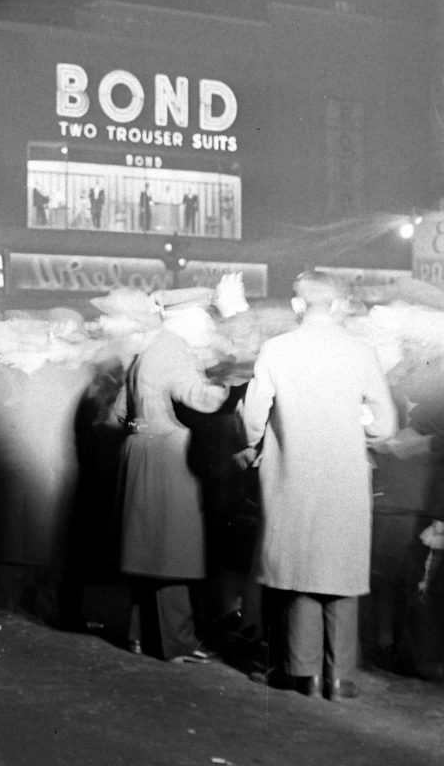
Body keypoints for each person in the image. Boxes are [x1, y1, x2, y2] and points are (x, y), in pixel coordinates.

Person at [241, 271, 397, 700]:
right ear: (337, 304)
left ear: (297, 305)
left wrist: (253, 444)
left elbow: (253, 417)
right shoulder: (360, 351)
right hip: (344, 479)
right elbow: (384, 424)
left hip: (291, 475)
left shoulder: (276, 349)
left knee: (299, 570)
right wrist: (357, 421)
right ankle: (339, 676)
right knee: (340, 571)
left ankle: (302, 671)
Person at [115, 292, 229, 663]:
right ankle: (176, 643)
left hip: (141, 449)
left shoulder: (145, 351)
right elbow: (202, 399)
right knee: (171, 553)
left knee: (146, 548)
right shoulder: (175, 349)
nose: (210, 326)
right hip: (167, 455)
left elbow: (119, 413)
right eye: (206, 318)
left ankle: (137, 634)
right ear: (188, 318)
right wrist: (230, 378)